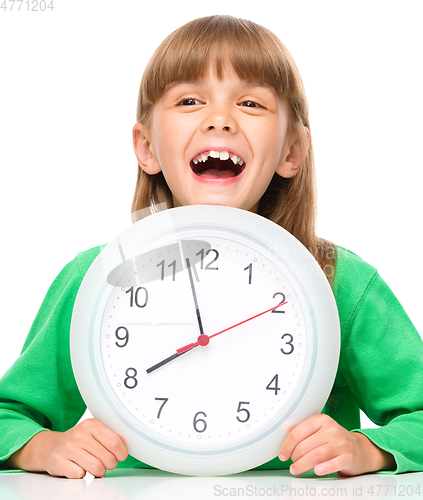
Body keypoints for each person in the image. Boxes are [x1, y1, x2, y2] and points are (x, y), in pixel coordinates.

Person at [1, 15, 422, 479]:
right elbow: (9, 419)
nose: (220, 120)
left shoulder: (339, 280)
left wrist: (368, 449)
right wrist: (44, 448)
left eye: (250, 103)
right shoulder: (99, 277)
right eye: (190, 100)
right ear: (147, 147)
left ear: (290, 151)